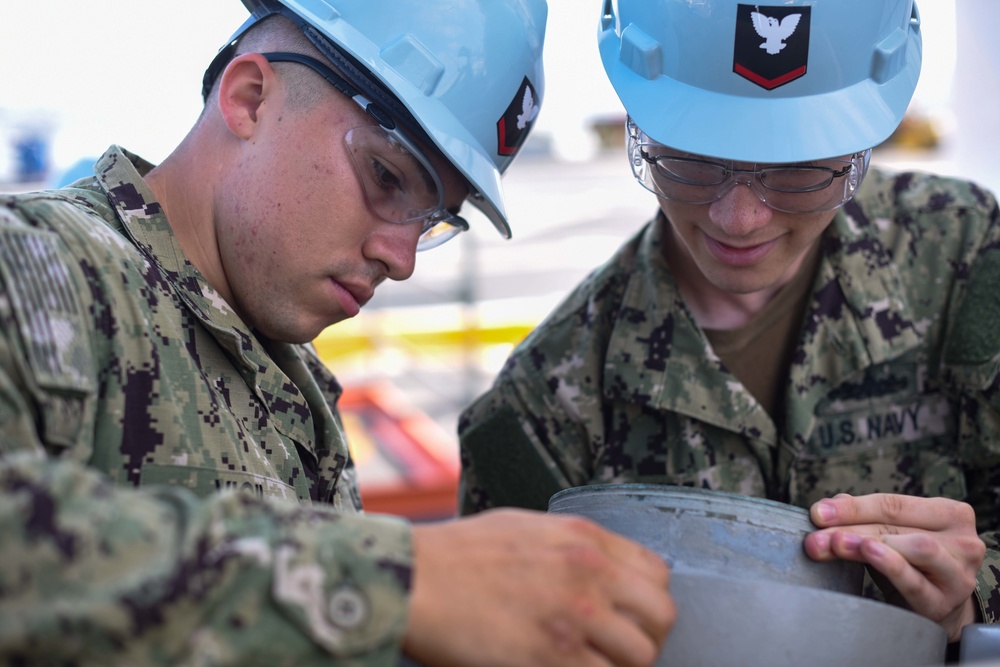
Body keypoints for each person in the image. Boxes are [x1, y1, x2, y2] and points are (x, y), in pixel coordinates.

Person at [0, 1, 675, 665]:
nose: (402, 259)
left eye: (435, 217)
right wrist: (399, 583)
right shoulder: (33, 269)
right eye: (386, 176)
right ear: (250, 98)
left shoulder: (296, 390)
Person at [458, 0, 999, 646]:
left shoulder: (966, 268)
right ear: (639, 125)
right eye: (692, 158)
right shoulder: (541, 413)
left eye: (797, 167)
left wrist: (971, 607)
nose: (739, 218)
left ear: (860, 148)